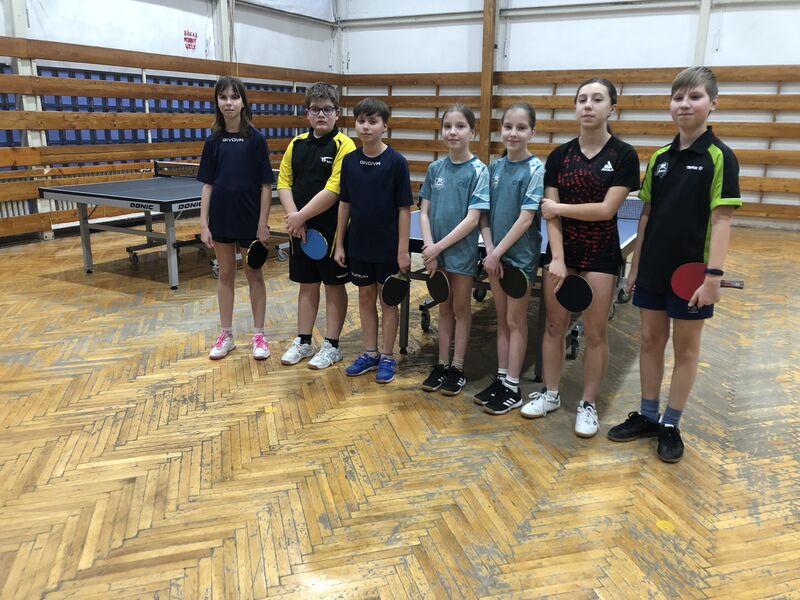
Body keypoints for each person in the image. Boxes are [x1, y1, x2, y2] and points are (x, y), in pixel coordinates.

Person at [607, 66, 741, 463]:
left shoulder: (720, 157)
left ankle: (671, 423)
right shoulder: (660, 158)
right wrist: (635, 267)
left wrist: (713, 276)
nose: (684, 104)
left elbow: (722, 220)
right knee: (650, 341)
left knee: (686, 349)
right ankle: (649, 415)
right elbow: (646, 214)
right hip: (653, 268)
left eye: (694, 96)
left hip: (692, 274)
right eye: (678, 97)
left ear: (713, 104)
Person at [520, 78, 640, 438]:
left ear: (612, 109)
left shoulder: (623, 155)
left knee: (595, 331)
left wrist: (559, 208)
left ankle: (588, 404)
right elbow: (549, 214)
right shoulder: (560, 156)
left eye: (597, 99)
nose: (588, 105)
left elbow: (606, 210)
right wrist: (556, 258)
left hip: (601, 254)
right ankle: (551, 393)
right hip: (563, 252)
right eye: (582, 99)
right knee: (553, 327)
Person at [277, 82, 356, 369]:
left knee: (333, 286)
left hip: (333, 231)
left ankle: (332, 345)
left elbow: (334, 188)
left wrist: (300, 217)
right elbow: (284, 181)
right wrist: (294, 217)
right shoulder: (296, 144)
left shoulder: (344, 145)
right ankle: (304, 341)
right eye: (315, 109)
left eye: (327, 109)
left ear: (337, 113)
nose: (321, 114)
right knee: (307, 285)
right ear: (307, 113)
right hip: (300, 230)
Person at [334, 98, 412, 384]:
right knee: (365, 297)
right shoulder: (350, 161)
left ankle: (388, 356)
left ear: (384, 127)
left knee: (387, 300)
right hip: (359, 245)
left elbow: (404, 209)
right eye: (361, 121)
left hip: (388, 247)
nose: (365, 126)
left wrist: (403, 250)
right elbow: (345, 204)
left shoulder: (397, 162)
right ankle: (370, 353)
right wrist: (339, 244)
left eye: (373, 121)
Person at [198, 76, 275, 360]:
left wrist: (262, 224)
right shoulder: (213, 141)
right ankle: (226, 335)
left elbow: (266, 186)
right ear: (217, 102)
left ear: (243, 102)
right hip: (221, 218)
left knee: (254, 273)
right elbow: (208, 185)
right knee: (226, 273)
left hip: (249, 219)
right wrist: (204, 224)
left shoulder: (256, 140)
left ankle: (259, 336)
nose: (228, 102)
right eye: (223, 97)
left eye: (234, 97)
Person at [418, 104, 490, 397]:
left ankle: (457, 367)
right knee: (444, 309)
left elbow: (472, 220)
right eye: (448, 126)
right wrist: (429, 248)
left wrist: (437, 247)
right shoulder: (435, 169)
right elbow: (424, 212)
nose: (453, 132)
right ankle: (442, 363)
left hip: (461, 254)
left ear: (472, 131)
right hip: (436, 253)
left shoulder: (479, 171)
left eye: (460, 126)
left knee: (461, 310)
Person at [478, 103, 544, 415]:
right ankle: (502, 379)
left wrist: (497, 253)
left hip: (519, 259)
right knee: (501, 318)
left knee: (516, 321)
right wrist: (491, 251)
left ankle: (514, 387)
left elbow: (525, 219)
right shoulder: (494, 168)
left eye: (521, 127)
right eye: (508, 126)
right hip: (496, 257)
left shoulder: (536, 170)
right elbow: (484, 215)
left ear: (532, 132)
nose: (513, 133)